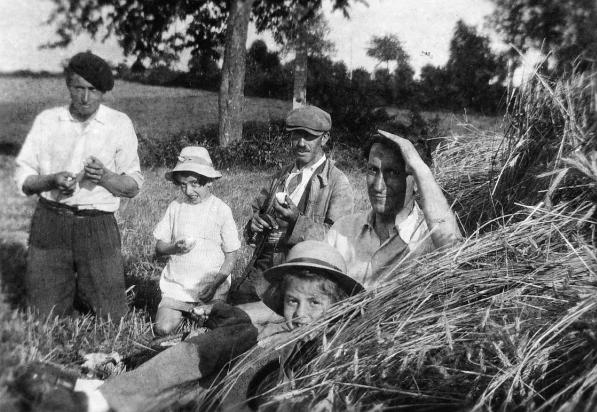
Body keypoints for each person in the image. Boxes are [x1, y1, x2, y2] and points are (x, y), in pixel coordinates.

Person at [12, 241, 364, 412]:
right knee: (204, 354)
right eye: (292, 300)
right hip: (213, 382)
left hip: (234, 398)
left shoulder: (333, 347)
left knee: (198, 368)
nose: (301, 312)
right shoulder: (279, 329)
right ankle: (89, 392)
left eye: (315, 303)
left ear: (336, 306)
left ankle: (93, 396)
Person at [14, 52, 143, 319]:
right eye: (78, 88)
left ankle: (84, 287)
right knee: (43, 317)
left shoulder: (119, 123)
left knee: (112, 317)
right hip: (51, 221)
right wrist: (51, 180)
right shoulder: (48, 121)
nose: (85, 98)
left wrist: (105, 177)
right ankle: (63, 288)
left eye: (93, 90)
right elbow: (24, 181)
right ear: (68, 86)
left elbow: (133, 186)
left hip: (97, 226)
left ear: (104, 92)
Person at [230, 105, 354, 305]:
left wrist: (297, 220)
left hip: (300, 275)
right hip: (263, 268)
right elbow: (255, 216)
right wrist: (253, 225)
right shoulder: (281, 176)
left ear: (325, 138)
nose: (301, 143)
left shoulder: (337, 182)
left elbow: (337, 241)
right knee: (231, 307)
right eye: (296, 136)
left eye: (309, 137)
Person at [326, 130, 462, 289]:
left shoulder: (429, 240)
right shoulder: (342, 230)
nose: (378, 186)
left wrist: (420, 167)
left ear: (417, 180)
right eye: (373, 170)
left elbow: (456, 258)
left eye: (393, 173)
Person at [153, 146, 241, 335]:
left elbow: (231, 256)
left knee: (214, 332)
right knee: (163, 328)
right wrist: (173, 248)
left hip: (211, 288)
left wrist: (215, 285)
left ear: (209, 182)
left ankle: (205, 313)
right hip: (177, 287)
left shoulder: (221, 210)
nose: (189, 190)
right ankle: (180, 311)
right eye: (183, 185)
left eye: (194, 184)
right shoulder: (176, 207)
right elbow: (159, 247)